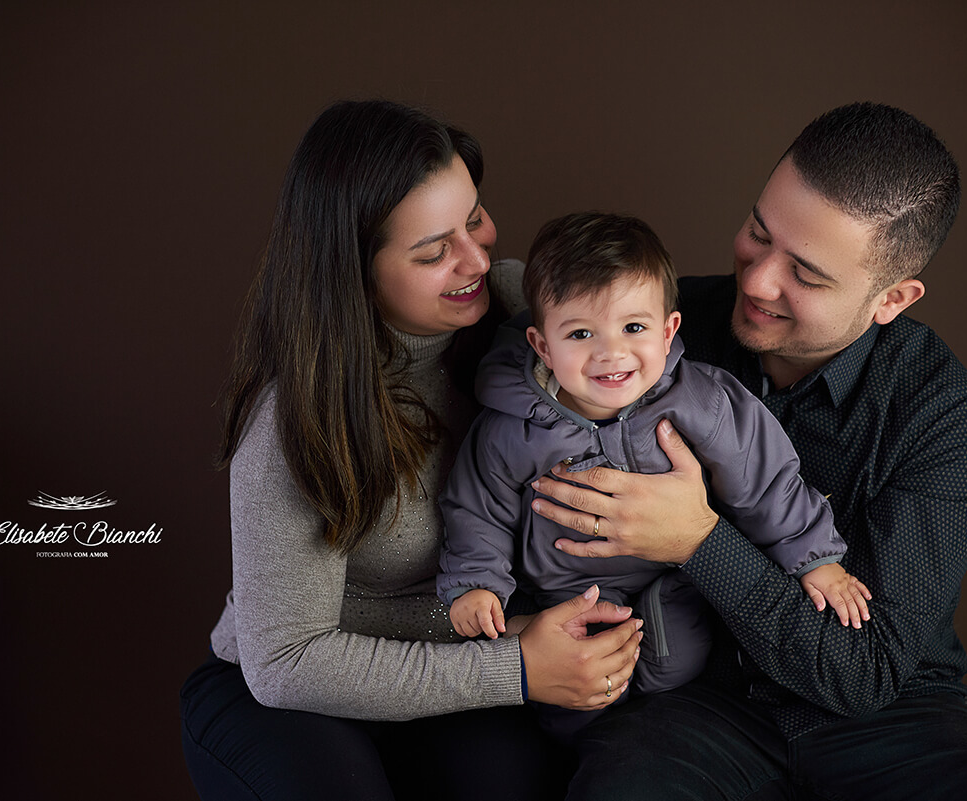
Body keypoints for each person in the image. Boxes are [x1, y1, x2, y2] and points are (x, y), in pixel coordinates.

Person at [528, 103, 967, 799]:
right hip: (689, 701)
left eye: (805, 273)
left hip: (888, 715)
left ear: (892, 297)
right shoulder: (652, 334)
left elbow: (863, 672)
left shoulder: (941, 414)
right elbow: (534, 341)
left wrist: (697, 538)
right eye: (756, 232)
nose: (757, 280)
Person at [178, 100, 642, 801]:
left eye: (475, 217)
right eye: (434, 252)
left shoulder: (522, 308)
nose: (477, 258)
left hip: (454, 654)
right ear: (358, 273)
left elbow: (659, 319)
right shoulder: (293, 419)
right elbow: (286, 656)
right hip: (288, 689)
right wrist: (515, 663)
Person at [437, 212, 871, 739]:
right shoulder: (511, 426)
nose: (611, 353)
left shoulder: (701, 401)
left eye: (634, 328)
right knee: (574, 702)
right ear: (542, 346)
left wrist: (815, 558)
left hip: (670, 579)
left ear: (669, 331)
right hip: (567, 592)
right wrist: (476, 583)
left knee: (677, 659)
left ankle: (646, 712)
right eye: (580, 333)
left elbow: (765, 478)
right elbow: (475, 508)